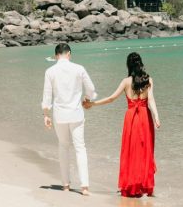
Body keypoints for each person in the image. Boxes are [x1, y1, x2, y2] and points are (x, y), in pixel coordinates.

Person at [85, 52, 160, 198]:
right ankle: (145, 186)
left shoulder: (126, 82)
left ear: (128, 65)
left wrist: (92, 104)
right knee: (145, 151)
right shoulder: (148, 80)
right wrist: (156, 116)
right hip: (145, 117)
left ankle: (132, 185)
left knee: (131, 151)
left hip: (131, 118)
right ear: (141, 63)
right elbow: (150, 100)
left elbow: (112, 98)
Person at [41, 43, 97, 195]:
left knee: (63, 147)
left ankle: (66, 184)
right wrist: (88, 98)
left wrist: (46, 115)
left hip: (60, 115)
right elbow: (91, 89)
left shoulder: (50, 71)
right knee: (80, 148)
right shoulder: (79, 68)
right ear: (69, 54)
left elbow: (47, 96)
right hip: (76, 113)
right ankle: (84, 186)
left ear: (56, 55)